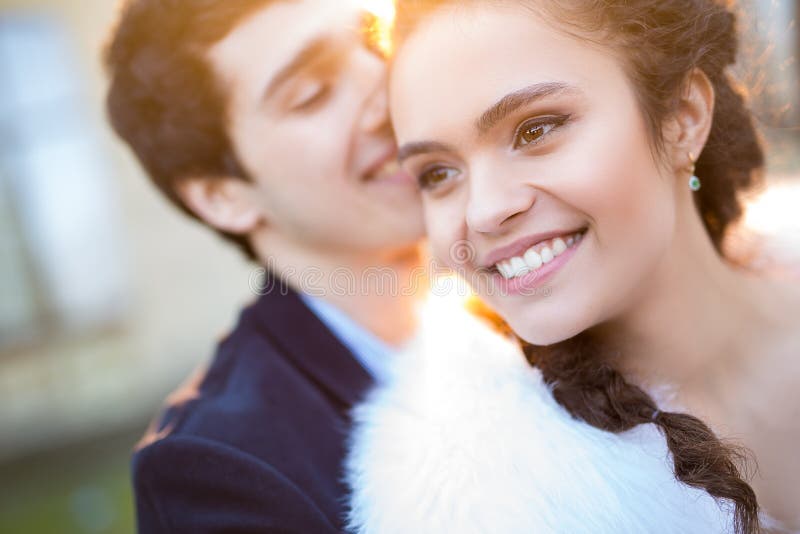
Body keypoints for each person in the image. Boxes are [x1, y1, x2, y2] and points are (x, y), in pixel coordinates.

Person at [344, 1, 800, 533]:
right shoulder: (482, 504)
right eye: (438, 172)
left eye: (535, 130)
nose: (484, 211)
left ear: (683, 118)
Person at [104, 0, 424, 532]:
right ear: (220, 197)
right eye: (312, 94)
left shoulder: (546, 294)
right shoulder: (218, 469)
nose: (389, 93)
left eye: (375, 43)